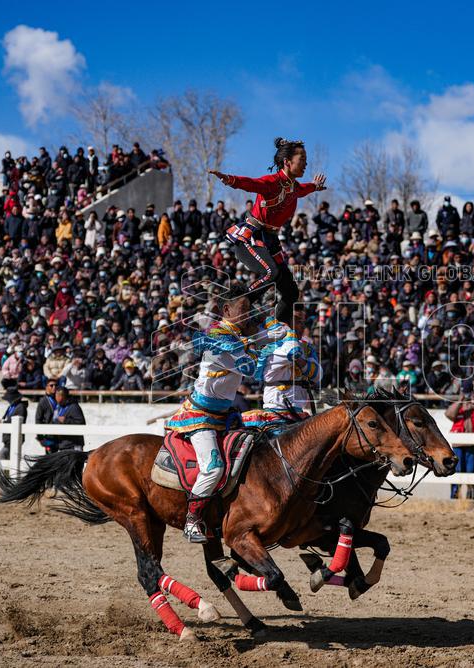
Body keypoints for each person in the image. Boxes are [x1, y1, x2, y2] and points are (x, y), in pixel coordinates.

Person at [166, 286, 258, 542]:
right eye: (243, 310)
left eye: (250, 311)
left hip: (225, 414)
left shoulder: (236, 338)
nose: (248, 316)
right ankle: (192, 520)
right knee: (213, 468)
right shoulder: (218, 338)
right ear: (227, 310)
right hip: (200, 416)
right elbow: (252, 369)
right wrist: (257, 338)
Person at [210, 138, 327, 322]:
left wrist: (315, 186)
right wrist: (230, 179)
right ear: (287, 162)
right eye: (302, 159)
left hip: (271, 241)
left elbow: (304, 189)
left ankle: (281, 331)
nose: (306, 163)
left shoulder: (294, 187)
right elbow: (250, 183)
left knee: (291, 292)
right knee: (271, 273)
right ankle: (236, 307)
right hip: (251, 237)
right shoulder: (272, 182)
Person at [444, 379, 474, 500]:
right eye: (465, 390)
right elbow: (449, 414)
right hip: (458, 443)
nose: (467, 393)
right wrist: (460, 401)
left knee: (471, 470)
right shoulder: (457, 404)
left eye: (468, 390)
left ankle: (471, 495)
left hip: (473, 444)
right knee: (457, 470)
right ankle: (455, 494)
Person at [51, 382, 86, 452]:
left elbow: (81, 423)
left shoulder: (74, 407)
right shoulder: (58, 407)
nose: (55, 397)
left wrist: (66, 420)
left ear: (62, 396)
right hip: (62, 444)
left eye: (56, 395)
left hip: (73, 445)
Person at [0, 384, 28, 460]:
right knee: (7, 457)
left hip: (14, 437)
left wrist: (4, 422)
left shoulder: (21, 407)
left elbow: (16, 421)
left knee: (3, 454)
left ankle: (6, 472)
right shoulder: (11, 407)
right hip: (8, 437)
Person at [35, 378, 59, 454]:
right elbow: (38, 419)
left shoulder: (59, 399)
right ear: (46, 387)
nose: (54, 387)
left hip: (59, 434)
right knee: (50, 457)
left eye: (56, 385)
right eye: (51, 385)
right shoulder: (43, 401)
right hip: (48, 435)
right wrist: (40, 436)